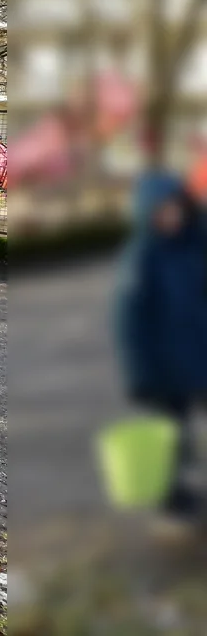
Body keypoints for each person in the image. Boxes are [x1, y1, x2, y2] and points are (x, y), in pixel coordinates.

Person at [114, 171, 207, 517]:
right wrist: (141, 375)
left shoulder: (196, 247)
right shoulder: (145, 259)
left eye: (175, 208)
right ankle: (173, 492)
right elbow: (133, 324)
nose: (170, 216)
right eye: (161, 210)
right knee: (172, 431)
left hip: (200, 354)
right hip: (167, 365)